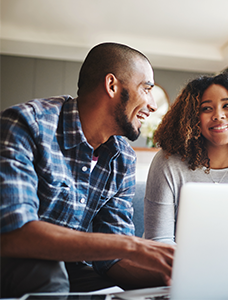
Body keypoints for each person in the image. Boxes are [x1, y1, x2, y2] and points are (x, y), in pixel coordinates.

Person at [0, 42, 175, 298]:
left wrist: (174, 277)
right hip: (12, 259)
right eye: (146, 89)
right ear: (112, 85)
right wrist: (133, 246)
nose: (152, 104)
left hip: (70, 269)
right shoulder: (26, 124)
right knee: (48, 273)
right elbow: (15, 234)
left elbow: (112, 260)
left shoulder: (122, 157)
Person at [144, 69, 228, 245]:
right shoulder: (168, 163)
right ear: (192, 117)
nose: (218, 115)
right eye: (206, 108)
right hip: (175, 264)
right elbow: (159, 240)